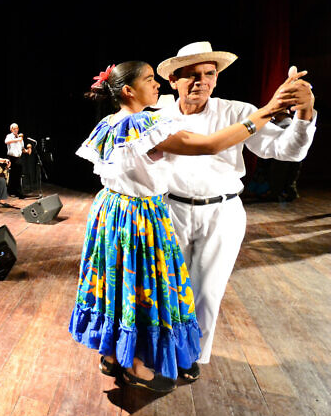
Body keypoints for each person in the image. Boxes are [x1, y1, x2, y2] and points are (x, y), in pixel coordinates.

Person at [70, 61, 298, 392]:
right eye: (150, 79)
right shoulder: (143, 125)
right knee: (142, 288)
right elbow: (209, 145)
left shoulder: (110, 122)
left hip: (110, 210)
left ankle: (113, 353)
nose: (157, 84)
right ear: (129, 90)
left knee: (116, 285)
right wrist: (266, 112)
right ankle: (135, 363)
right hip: (137, 215)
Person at [156, 42, 317, 370]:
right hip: (170, 210)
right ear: (173, 79)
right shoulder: (158, 116)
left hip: (223, 212)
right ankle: (163, 352)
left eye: (209, 73)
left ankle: (191, 358)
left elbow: (287, 151)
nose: (202, 81)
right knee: (167, 290)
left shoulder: (237, 112)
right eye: (192, 75)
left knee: (207, 292)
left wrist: (304, 114)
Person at [5, 123, 31, 198]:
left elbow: (22, 149)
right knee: (13, 175)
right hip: (12, 157)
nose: (16, 130)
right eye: (14, 128)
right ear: (11, 130)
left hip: (18, 158)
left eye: (17, 128)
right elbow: (6, 141)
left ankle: (16, 192)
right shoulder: (9, 136)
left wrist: (27, 151)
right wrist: (17, 139)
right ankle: (14, 192)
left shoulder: (20, 138)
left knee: (17, 175)